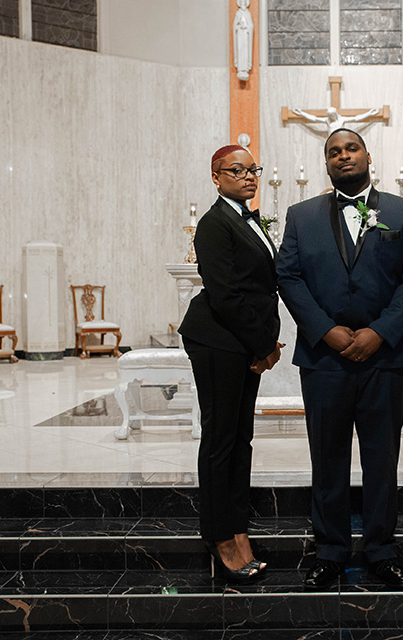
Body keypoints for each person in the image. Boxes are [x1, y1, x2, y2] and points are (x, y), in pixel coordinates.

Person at [276, 128, 403, 589]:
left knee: (382, 459)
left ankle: (382, 550)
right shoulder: (301, 216)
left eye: (351, 148)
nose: (343, 156)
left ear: (367, 156)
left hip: (385, 358)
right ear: (326, 164)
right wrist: (325, 330)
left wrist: (379, 332)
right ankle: (329, 551)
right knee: (327, 458)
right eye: (333, 152)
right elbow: (289, 277)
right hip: (325, 360)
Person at [178, 144, 281, 583]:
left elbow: (260, 287)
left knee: (241, 440)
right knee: (221, 441)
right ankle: (220, 537)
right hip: (219, 341)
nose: (247, 176)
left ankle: (238, 528)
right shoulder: (214, 224)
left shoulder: (248, 219)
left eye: (252, 169)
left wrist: (264, 343)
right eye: (235, 170)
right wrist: (266, 345)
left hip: (242, 343)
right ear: (216, 178)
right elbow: (225, 295)